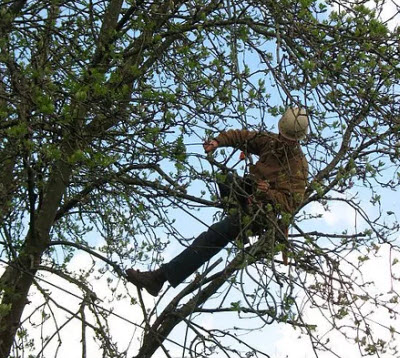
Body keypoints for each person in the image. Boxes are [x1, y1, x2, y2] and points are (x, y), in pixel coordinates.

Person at [126, 108, 309, 296]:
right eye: (282, 135)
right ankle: (238, 228)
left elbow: (291, 205)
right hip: (248, 195)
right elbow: (241, 136)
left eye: (288, 139)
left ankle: (159, 278)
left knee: (213, 235)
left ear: (297, 140)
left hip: (262, 215)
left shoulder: (298, 166)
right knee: (225, 179)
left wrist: (269, 192)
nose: (283, 140)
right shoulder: (270, 142)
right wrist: (217, 142)